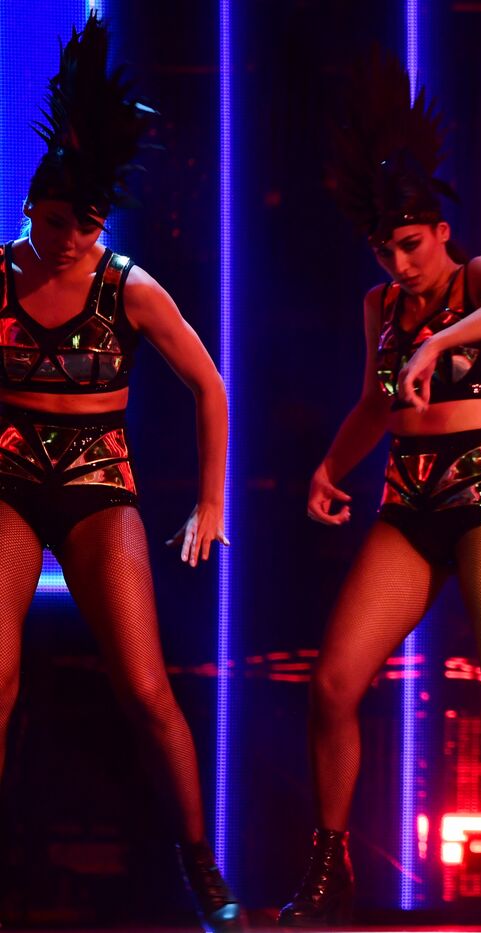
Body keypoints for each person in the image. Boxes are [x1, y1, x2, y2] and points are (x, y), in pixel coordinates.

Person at [277, 49, 481, 932]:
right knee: (333, 682)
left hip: (480, 497)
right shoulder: (380, 306)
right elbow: (374, 403)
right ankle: (330, 868)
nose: (399, 262)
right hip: (406, 501)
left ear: (439, 229)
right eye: (384, 249)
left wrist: (436, 342)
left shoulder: (478, 277)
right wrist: (329, 467)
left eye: (411, 244)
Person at [0, 15, 241, 931]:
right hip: (10, 483)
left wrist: (211, 499)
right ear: (32, 209)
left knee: (145, 688)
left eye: (90, 225)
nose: (73, 241)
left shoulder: (127, 286)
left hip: (100, 486)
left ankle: (200, 863)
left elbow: (210, 385)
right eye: (60, 222)